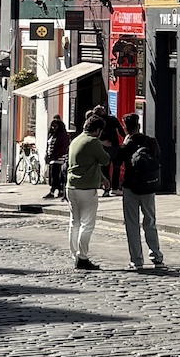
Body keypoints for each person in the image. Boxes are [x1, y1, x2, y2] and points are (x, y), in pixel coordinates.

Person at [118, 113, 164, 271]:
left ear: (125, 128)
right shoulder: (151, 142)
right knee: (150, 222)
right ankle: (156, 257)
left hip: (131, 188)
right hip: (148, 188)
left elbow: (117, 162)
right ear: (139, 125)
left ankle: (137, 260)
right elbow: (158, 159)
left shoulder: (127, 145)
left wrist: (123, 145)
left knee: (132, 224)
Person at [66, 108, 109, 270]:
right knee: (87, 224)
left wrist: (102, 178)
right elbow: (105, 160)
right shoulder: (93, 142)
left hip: (71, 187)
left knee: (74, 222)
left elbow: (88, 163)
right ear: (97, 130)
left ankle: (74, 254)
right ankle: (82, 258)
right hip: (86, 189)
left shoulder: (76, 140)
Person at [45, 112, 70, 200]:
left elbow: (63, 148)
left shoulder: (63, 135)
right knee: (53, 175)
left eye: (55, 126)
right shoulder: (51, 135)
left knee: (58, 176)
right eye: (52, 126)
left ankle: (59, 191)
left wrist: (55, 155)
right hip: (52, 158)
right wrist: (47, 155)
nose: (53, 128)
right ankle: (53, 190)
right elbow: (48, 145)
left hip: (59, 159)